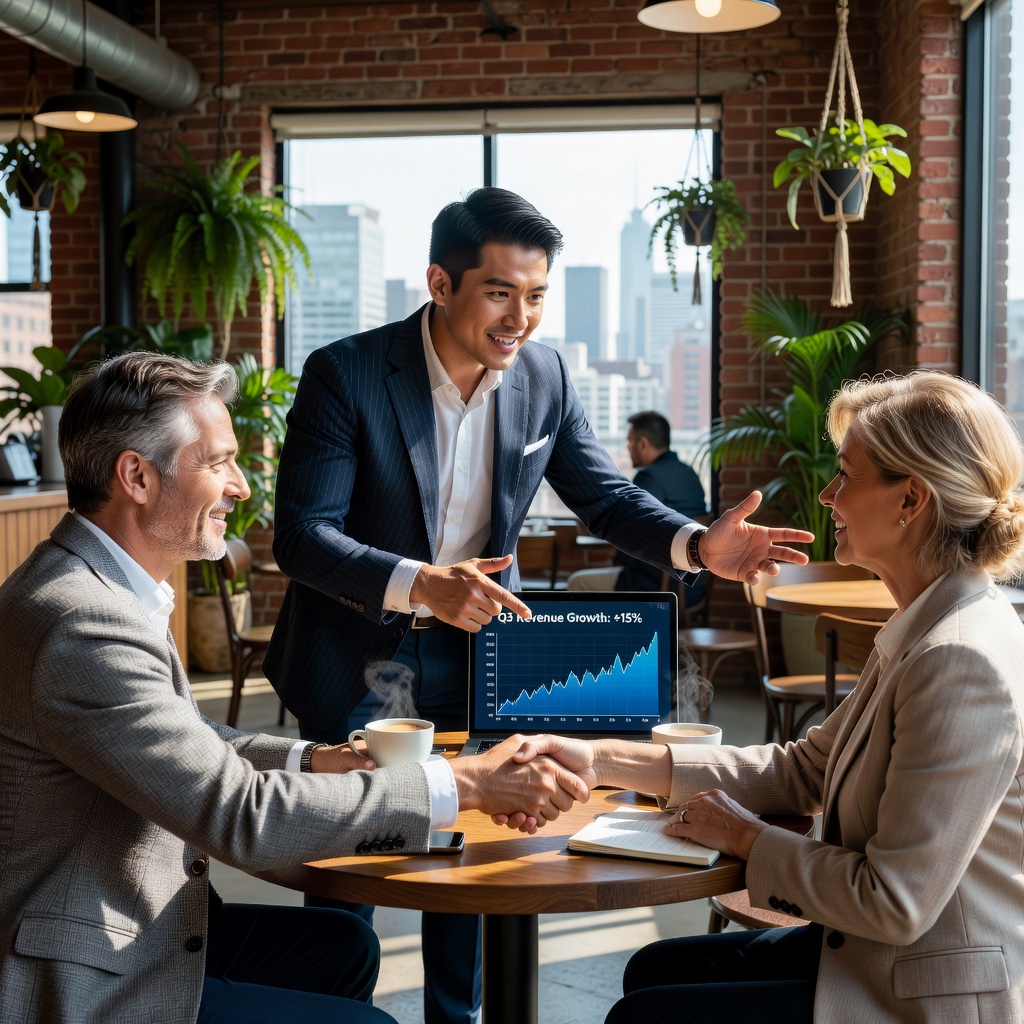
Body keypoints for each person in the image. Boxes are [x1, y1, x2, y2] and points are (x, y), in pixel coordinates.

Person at [264, 186, 812, 1024]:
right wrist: (422, 582)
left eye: (536, 295)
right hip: (360, 649)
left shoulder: (545, 376)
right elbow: (302, 537)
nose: (520, 317)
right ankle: (335, 1013)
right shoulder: (347, 373)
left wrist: (698, 545)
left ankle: (461, 1018)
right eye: (500, 292)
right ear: (441, 284)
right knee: (354, 856)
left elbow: (603, 498)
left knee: (481, 842)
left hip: (484, 650)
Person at [0, 352, 591, 1024]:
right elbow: (240, 816)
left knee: (342, 947)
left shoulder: (97, 586)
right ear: (135, 477)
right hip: (84, 971)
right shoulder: (84, 622)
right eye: (217, 461)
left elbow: (187, 740)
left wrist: (313, 758)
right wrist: (468, 784)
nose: (241, 488)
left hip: (125, 924)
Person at [517, 370, 1024, 1023]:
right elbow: (802, 770)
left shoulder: (957, 660)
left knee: (644, 1014)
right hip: (882, 955)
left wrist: (748, 839)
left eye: (847, 475)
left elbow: (894, 903)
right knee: (654, 969)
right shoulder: (925, 625)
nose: (827, 493)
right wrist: (600, 760)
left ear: (911, 500)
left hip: (921, 991)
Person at [567, 409, 707, 595]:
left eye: (630, 441)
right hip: (693, 587)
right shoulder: (689, 473)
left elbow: (632, 530)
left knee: (577, 582)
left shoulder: (649, 477)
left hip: (655, 583)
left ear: (642, 444)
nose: (628, 447)